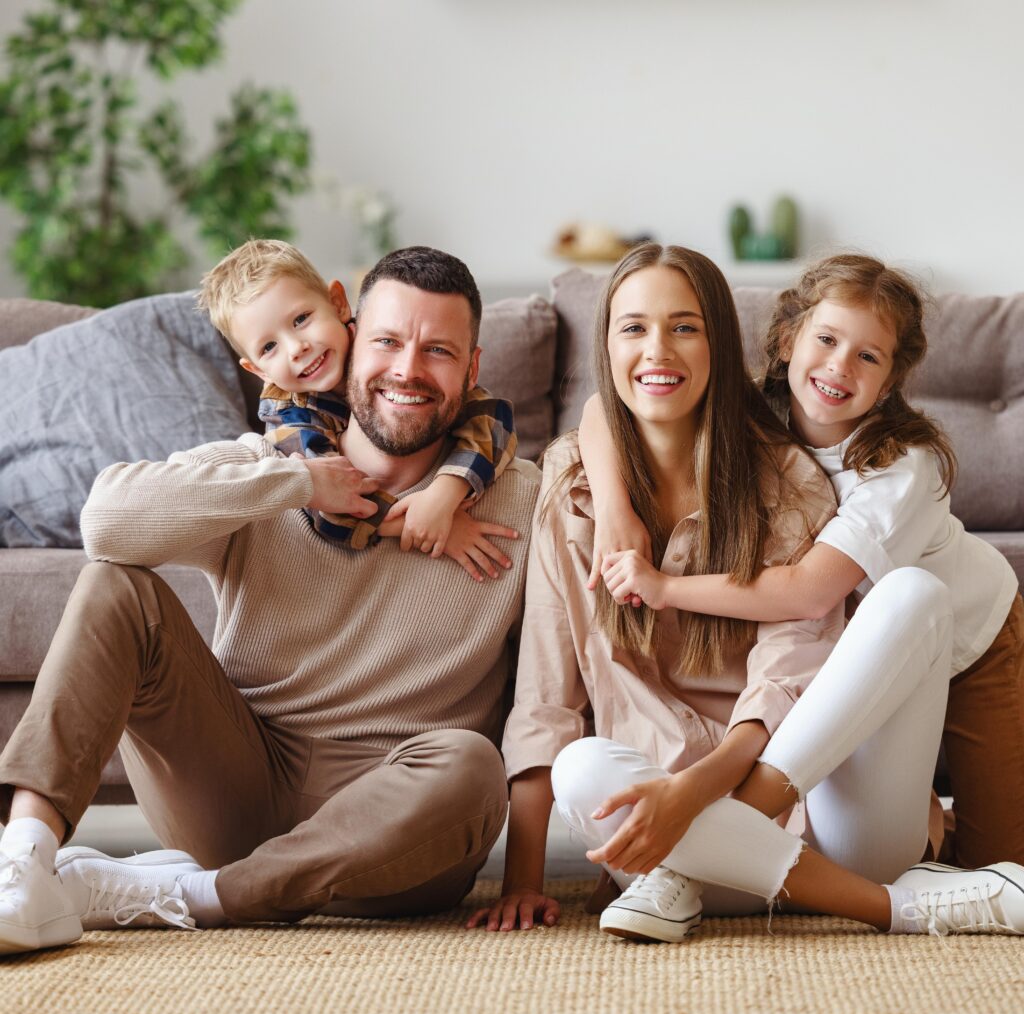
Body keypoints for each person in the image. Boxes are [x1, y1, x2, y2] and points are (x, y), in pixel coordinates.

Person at [470, 243, 1024, 943]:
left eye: (685, 327)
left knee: (912, 593)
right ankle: (896, 904)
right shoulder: (578, 486)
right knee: (584, 765)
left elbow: (799, 629)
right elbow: (545, 698)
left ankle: (702, 870)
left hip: (816, 805)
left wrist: (696, 795)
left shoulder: (802, 474)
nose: (658, 349)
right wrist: (522, 881)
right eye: (632, 328)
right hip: (657, 834)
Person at [0, 246, 540, 955]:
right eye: (387, 341)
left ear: (471, 369)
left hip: (397, 832)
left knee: (473, 766)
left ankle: (194, 894)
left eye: (437, 349)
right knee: (115, 584)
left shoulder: (526, 498)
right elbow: (105, 523)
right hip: (234, 787)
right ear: (353, 333)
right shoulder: (267, 465)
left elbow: (550, 691)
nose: (407, 369)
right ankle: (23, 868)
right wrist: (298, 484)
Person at [582, 254, 1023, 868]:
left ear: (892, 380)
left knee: (1003, 862)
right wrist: (611, 506)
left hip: (973, 640)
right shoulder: (760, 411)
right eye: (827, 339)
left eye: (868, 357)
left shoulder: (901, 467)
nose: (840, 367)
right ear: (788, 340)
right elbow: (605, 406)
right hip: (861, 646)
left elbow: (811, 591)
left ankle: (723, 830)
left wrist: (664, 587)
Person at [199, 238, 517, 564]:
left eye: (300, 320)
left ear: (338, 303)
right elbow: (332, 506)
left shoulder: (377, 341)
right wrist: (423, 524)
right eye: (269, 347)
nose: (297, 348)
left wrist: (445, 493)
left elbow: (493, 417)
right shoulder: (290, 418)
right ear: (258, 370)